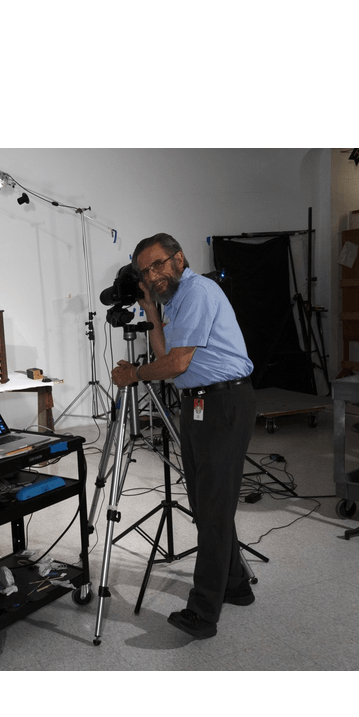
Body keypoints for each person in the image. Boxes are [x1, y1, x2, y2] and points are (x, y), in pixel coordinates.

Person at [111, 232, 257, 639]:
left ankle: (203, 612)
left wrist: (133, 375)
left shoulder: (198, 291)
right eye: (145, 270)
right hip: (198, 405)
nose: (153, 274)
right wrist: (153, 317)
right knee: (205, 502)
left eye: (158, 264)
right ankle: (236, 585)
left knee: (211, 507)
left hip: (224, 404)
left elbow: (174, 364)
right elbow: (166, 357)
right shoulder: (173, 302)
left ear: (178, 259)